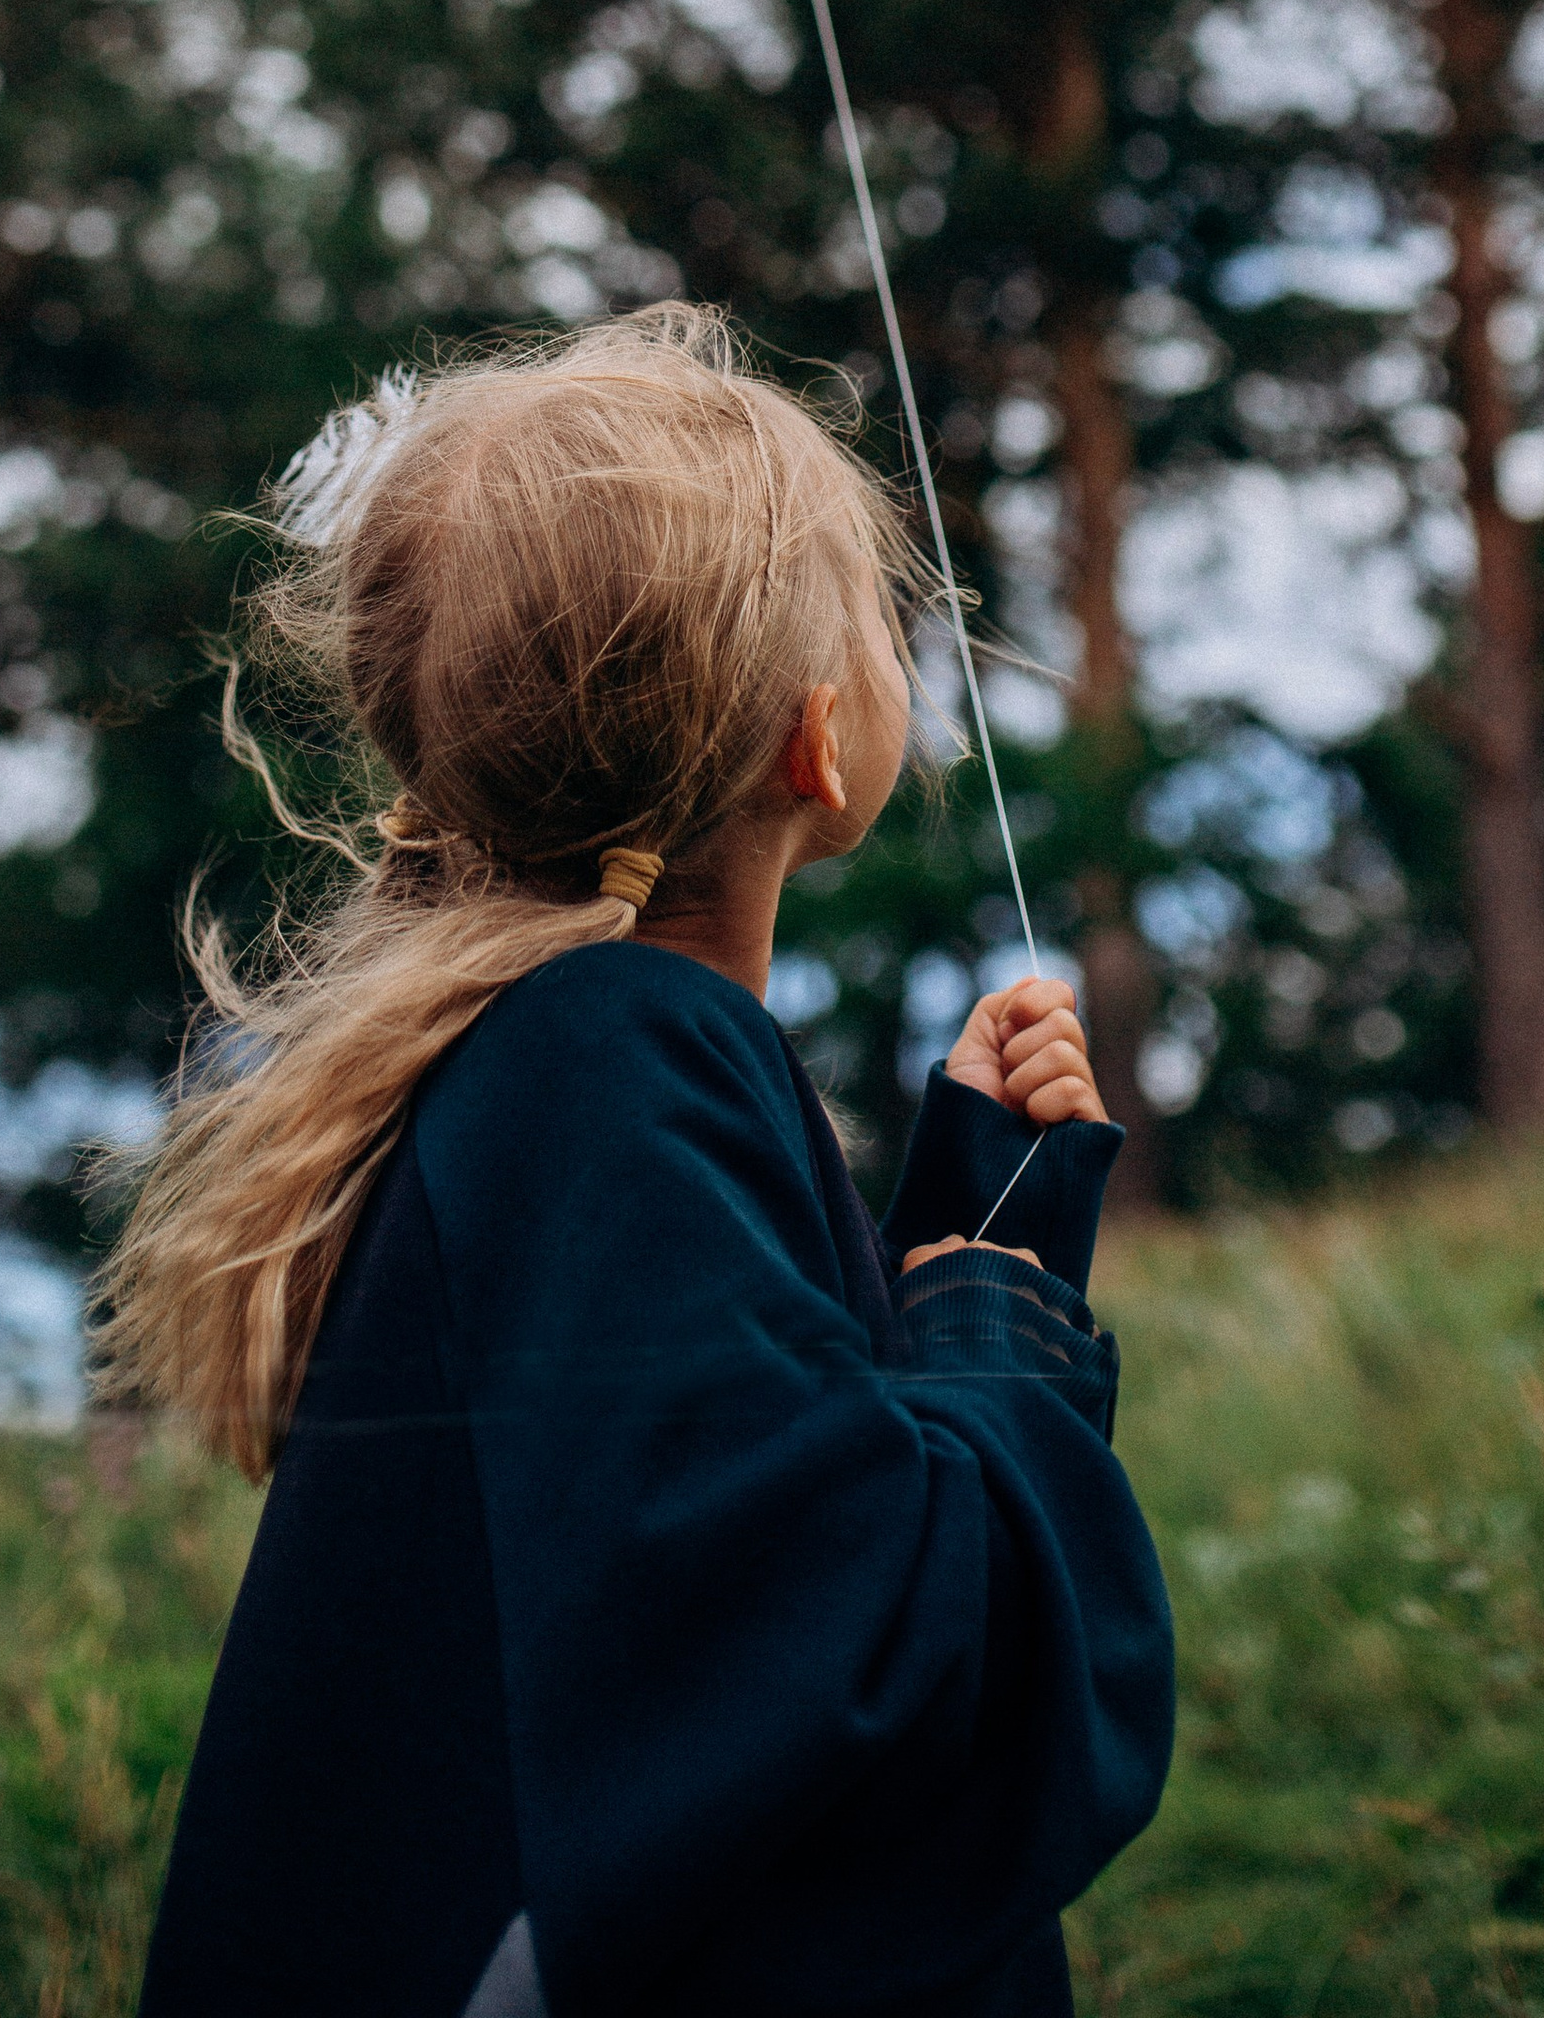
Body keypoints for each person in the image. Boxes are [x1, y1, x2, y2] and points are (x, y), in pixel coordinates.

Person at [109, 308, 1173, 2018]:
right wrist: (990, 1331)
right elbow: (865, 1696)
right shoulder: (617, 1056)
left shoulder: (551, 1072)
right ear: (815, 741)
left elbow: (707, 1560)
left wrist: (975, 1233)